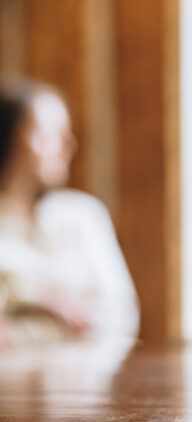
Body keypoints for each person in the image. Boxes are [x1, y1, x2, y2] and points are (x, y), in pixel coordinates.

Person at [0, 77, 139, 347]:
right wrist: (41, 299)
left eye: (66, 132)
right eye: (50, 133)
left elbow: (121, 316)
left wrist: (20, 328)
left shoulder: (84, 217)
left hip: (81, 383)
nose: (68, 145)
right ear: (9, 137)